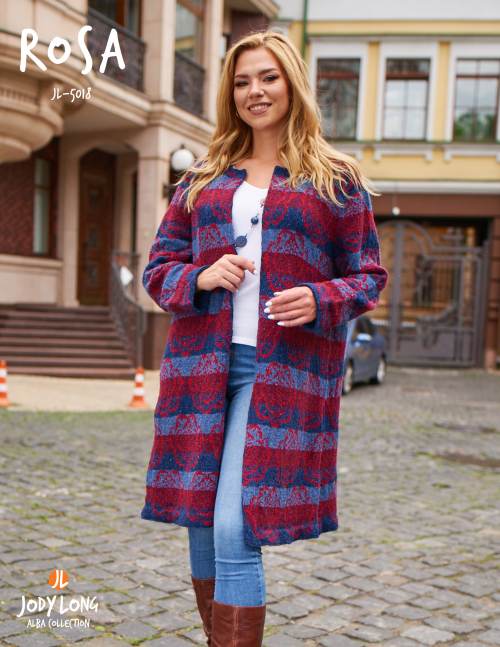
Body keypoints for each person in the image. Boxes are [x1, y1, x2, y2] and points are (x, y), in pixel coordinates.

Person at [140, 30, 388, 647]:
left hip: (277, 375)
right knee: (200, 525)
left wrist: (321, 298)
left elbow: (368, 276)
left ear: (292, 84)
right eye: (243, 81)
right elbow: (158, 269)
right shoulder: (203, 178)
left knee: (233, 526)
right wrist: (200, 276)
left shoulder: (334, 179)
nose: (255, 91)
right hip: (200, 371)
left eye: (268, 77)